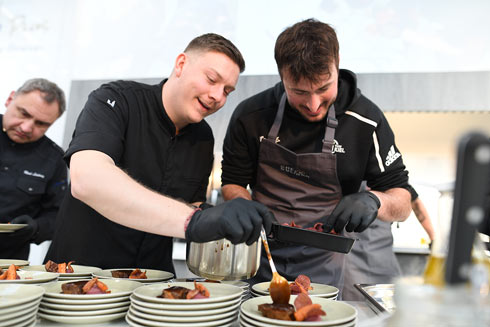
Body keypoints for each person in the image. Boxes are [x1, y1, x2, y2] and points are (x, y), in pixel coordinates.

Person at [45, 33, 274, 273]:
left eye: (227, 91)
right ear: (181, 64)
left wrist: (219, 215)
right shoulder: (116, 100)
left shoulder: (203, 137)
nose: (218, 96)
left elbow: (190, 202)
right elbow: (88, 180)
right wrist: (194, 221)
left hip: (152, 284)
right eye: (211, 79)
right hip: (78, 276)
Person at [221, 19, 412, 295]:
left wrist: (375, 200)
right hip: (262, 256)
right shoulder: (251, 116)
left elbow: (403, 201)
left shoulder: (365, 121)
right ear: (281, 76)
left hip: (327, 263)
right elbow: (232, 182)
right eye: (299, 92)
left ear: (337, 64)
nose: (313, 105)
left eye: (324, 88)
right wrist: (245, 206)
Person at [0, 78, 67, 260]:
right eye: (23, 113)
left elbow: (57, 217)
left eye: (41, 124)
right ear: (10, 99)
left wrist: (35, 228)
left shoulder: (54, 160)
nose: (26, 127)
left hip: (8, 267)